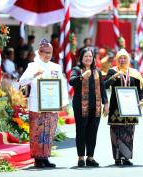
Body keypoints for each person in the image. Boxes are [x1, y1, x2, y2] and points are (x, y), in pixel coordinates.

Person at [19, 39, 69, 168]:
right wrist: (34, 75)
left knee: (49, 131)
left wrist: (64, 102)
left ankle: (45, 157)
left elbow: (62, 85)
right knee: (37, 132)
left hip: (52, 105)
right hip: (37, 106)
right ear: (39, 52)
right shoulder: (33, 66)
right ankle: (37, 158)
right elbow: (22, 81)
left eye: (50, 52)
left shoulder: (56, 67)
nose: (48, 55)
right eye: (45, 52)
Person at [69, 47, 109, 167]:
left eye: (90, 56)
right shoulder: (76, 69)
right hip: (81, 106)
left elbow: (102, 88)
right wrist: (82, 76)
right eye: (86, 56)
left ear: (93, 58)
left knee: (93, 131)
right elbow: (71, 81)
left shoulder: (97, 71)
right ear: (81, 58)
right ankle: (81, 157)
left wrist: (106, 103)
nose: (88, 58)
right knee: (81, 131)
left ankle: (90, 157)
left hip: (95, 107)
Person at [104, 49, 143, 166]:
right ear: (116, 59)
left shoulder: (134, 72)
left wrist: (141, 100)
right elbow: (105, 85)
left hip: (131, 107)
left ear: (128, 59)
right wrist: (115, 76)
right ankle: (117, 157)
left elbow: (140, 89)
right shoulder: (112, 71)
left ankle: (126, 157)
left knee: (129, 132)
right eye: (120, 58)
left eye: (125, 58)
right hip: (116, 108)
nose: (122, 60)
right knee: (115, 132)